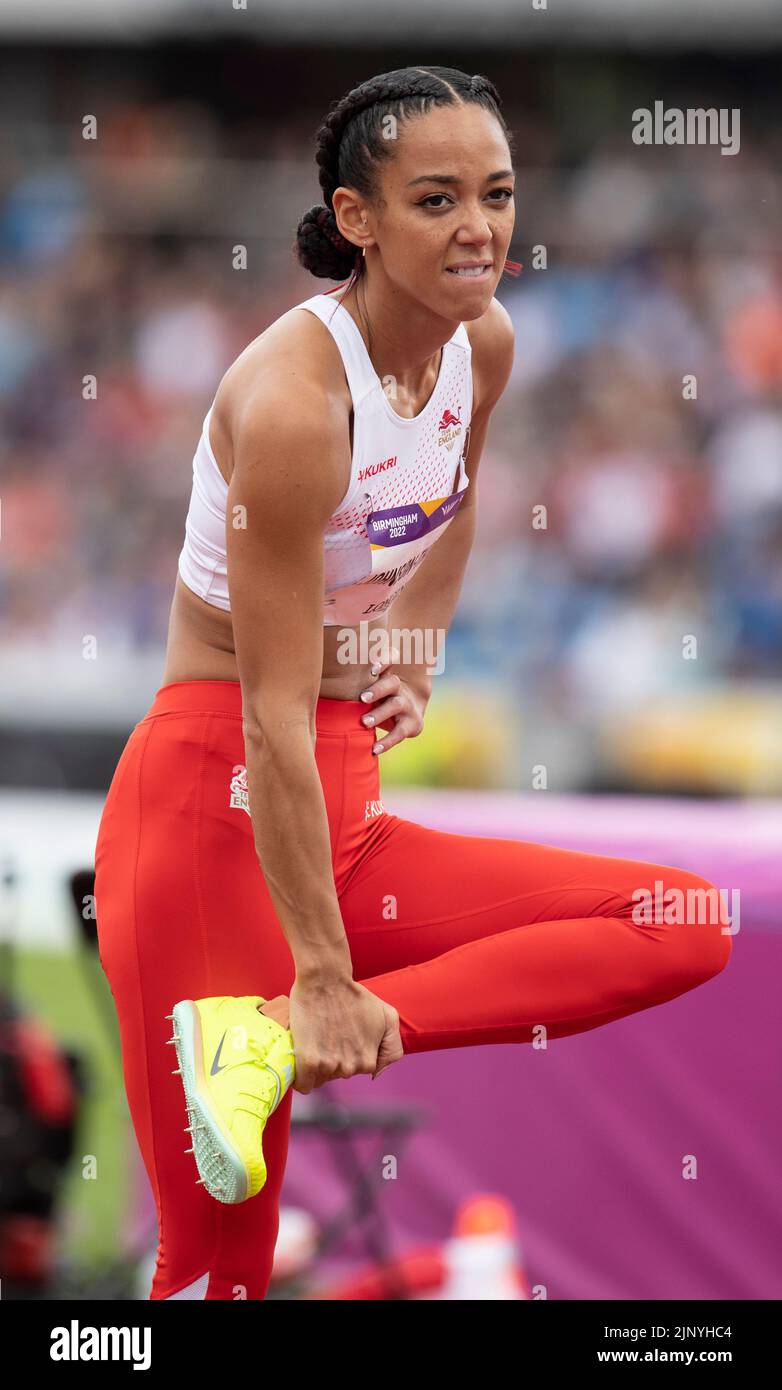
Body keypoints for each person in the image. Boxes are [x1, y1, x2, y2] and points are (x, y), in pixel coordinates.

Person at [93, 66, 732, 1302]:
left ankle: (266, 1040)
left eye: (494, 193)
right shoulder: (290, 405)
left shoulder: (479, 345)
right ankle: (275, 1026)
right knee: (213, 1276)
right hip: (211, 810)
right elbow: (268, 718)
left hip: (343, 802)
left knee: (684, 923)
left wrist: (413, 648)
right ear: (357, 218)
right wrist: (322, 977)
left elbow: (454, 500)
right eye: (435, 199)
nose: (477, 227)